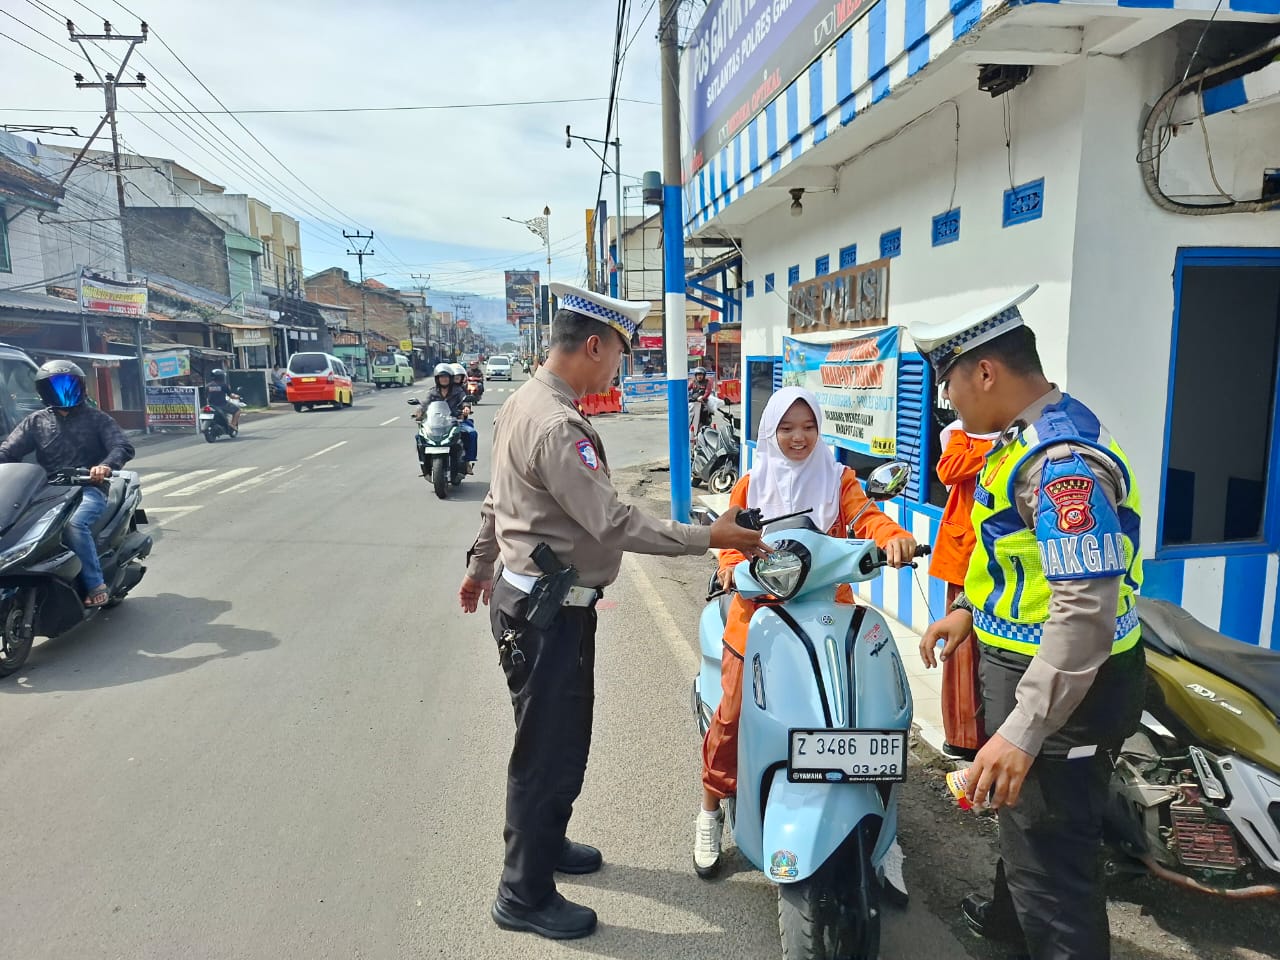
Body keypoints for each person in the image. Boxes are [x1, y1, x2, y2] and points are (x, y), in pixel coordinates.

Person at [458, 282, 769, 942]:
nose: (619, 370)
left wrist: (480, 566)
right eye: (621, 356)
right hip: (547, 616)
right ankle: (522, 893)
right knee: (546, 754)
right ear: (594, 346)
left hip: (539, 606)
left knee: (559, 742)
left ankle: (546, 845)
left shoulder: (524, 403)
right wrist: (711, 536)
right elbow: (614, 521)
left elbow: (496, 502)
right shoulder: (556, 425)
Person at [912, 286, 1144, 960]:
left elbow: (1084, 614)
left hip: (1065, 694)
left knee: (1054, 870)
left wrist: (1024, 729)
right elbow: (1020, 559)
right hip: (1032, 673)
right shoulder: (1025, 436)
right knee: (1025, 828)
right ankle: (1008, 926)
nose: (947, 402)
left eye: (949, 383)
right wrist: (966, 611)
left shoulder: (1060, 463)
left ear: (985, 371)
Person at [695, 386, 918, 896]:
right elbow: (729, 540)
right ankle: (710, 807)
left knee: (871, 712)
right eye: (787, 428)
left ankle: (886, 832)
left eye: (809, 427)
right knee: (733, 713)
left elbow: (867, 517)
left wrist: (892, 537)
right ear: (770, 432)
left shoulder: (839, 479)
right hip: (759, 615)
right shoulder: (751, 485)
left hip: (830, 611)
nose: (799, 437)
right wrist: (730, 566)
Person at [0, 360, 135, 608]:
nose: (63, 392)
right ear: (43, 391)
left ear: (81, 387)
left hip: (88, 488)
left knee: (74, 524)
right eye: (56, 386)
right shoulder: (36, 421)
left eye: (69, 385)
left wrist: (105, 466)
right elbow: (8, 451)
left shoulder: (96, 418)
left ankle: (95, 584)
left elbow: (121, 446)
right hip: (47, 490)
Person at [930, 417, 999, 760]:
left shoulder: (1026, 437)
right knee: (962, 652)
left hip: (1005, 562)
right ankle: (963, 737)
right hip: (965, 559)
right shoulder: (963, 432)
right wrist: (994, 448)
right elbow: (948, 469)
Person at [205, 369, 241, 434]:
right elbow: (231, 396)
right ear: (221, 376)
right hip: (222, 405)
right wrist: (237, 396)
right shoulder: (223, 385)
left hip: (211, 406)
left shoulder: (208, 385)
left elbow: (206, 396)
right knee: (237, 411)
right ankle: (233, 425)